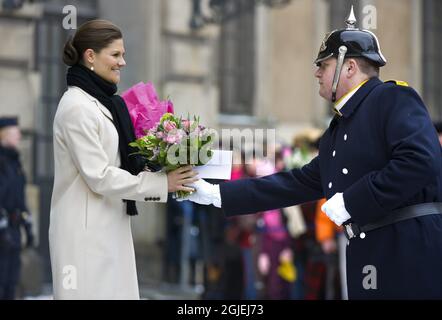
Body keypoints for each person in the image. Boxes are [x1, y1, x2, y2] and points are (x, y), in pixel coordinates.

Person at [184, 7, 442, 299]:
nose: (317, 73)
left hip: (408, 251)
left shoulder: (392, 98)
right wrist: (218, 194)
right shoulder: (340, 127)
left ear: (350, 67)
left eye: (324, 64)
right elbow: (295, 183)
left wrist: (354, 201)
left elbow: (420, 160)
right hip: (371, 251)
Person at [50, 19, 197, 299]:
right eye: (116, 55)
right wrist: (161, 183)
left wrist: (163, 155)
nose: (123, 62)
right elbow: (100, 176)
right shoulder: (77, 107)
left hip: (108, 228)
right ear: (90, 56)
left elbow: (120, 162)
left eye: (124, 54)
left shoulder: (106, 103)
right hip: (85, 237)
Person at [0, 117, 34, 299]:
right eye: (15, 133)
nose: (19, 136)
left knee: (12, 280)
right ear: (3, 135)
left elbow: (20, 198)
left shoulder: (15, 162)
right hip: (2, 230)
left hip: (13, 229)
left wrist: (27, 225)